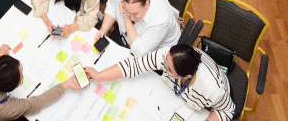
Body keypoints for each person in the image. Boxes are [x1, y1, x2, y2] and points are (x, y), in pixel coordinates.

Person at [83, 44, 234, 121]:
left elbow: (227, 111)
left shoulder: (213, 90)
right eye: (166, 62)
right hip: (170, 99)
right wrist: (99, 75)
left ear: (186, 76)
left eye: (169, 70)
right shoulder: (169, 56)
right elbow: (134, 65)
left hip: (205, 104)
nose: (163, 65)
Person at [0, 46, 80, 121]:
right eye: (21, 79)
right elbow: (37, 103)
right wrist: (66, 84)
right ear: (10, 88)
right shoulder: (6, 108)